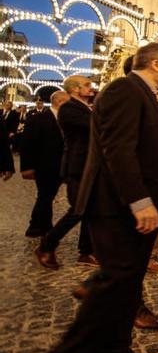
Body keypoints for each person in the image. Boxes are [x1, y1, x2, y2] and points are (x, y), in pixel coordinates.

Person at [41, 43, 158, 353]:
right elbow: (119, 148)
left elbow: (149, 153)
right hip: (113, 205)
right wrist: (140, 201)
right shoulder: (125, 90)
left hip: (133, 204)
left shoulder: (146, 96)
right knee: (114, 281)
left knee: (128, 285)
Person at [35, 76, 97, 269]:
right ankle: (46, 246)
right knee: (78, 209)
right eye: (87, 85)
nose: (91, 88)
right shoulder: (69, 109)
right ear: (76, 89)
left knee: (90, 210)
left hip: (89, 167)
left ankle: (86, 253)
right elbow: (95, 127)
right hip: (77, 166)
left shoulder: (86, 108)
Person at [20, 90, 69, 238]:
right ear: (59, 102)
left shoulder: (66, 120)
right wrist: (26, 167)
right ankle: (35, 226)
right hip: (44, 165)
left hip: (61, 165)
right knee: (45, 196)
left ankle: (43, 225)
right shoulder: (38, 119)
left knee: (47, 196)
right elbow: (27, 144)